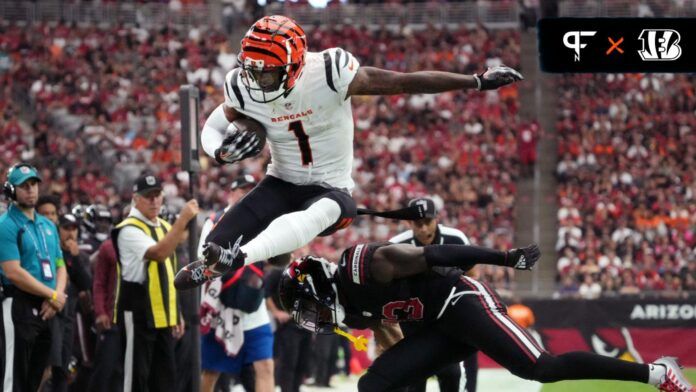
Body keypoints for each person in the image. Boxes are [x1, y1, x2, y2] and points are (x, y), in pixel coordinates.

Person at [176, 14, 524, 288]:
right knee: (215, 247)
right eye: (251, 69)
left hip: (330, 190)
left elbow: (404, 81)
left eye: (266, 73)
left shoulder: (328, 72)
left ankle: (237, 258)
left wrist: (475, 81)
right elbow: (214, 125)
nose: (255, 79)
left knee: (327, 209)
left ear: (294, 67)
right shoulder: (242, 84)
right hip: (281, 183)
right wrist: (219, 153)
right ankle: (240, 256)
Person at [277, 241, 693, 392]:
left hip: (462, 302)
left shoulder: (363, 265)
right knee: (373, 384)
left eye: (307, 306)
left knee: (542, 369)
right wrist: (397, 359)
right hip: (437, 328)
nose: (313, 317)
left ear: (315, 285)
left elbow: (436, 255)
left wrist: (503, 258)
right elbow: (387, 328)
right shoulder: (348, 308)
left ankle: (658, 373)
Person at [112, 174, 198, 391]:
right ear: (135, 199)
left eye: (157, 195)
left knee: (165, 378)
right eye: (148, 196)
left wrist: (175, 311)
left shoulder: (162, 226)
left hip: (162, 315)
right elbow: (159, 253)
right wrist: (182, 220)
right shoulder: (128, 229)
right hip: (138, 312)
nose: (154, 201)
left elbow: (169, 272)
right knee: (136, 378)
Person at [389, 197, 478, 392]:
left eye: (427, 222)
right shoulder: (395, 246)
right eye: (417, 224)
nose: (422, 229)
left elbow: (472, 275)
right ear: (409, 223)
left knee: (453, 374)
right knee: (414, 380)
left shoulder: (456, 239)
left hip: (450, 318)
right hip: (413, 321)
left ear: (436, 219)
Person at [197, 175, 275, 392]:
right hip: (223, 302)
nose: (248, 194)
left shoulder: (265, 220)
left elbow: (277, 256)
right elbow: (202, 256)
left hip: (253, 304)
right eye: (243, 190)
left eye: (252, 190)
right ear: (232, 193)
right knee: (211, 370)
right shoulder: (215, 220)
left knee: (266, 365)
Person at [0, 163, 68, 391]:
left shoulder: (47, 224)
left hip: (47, 306)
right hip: (17, 304)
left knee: (35, 377)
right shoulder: (6, 225)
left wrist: (56, 295)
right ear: (11, 190)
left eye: (34, 185)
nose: (31, 190)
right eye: (24, 186)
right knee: (13, 376)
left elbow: (60, 265)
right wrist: (52, 294)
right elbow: (13, 272)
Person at [51, 213, 93, 392]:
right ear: (58, 229)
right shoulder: (51, 251)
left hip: (71, 318)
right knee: (48, 367)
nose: (70, 233)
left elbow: (85, 284)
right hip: (51, 314)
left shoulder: (80, 256)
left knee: (64, 367)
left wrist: (75, 257)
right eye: (66, 228)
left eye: (73, 228)